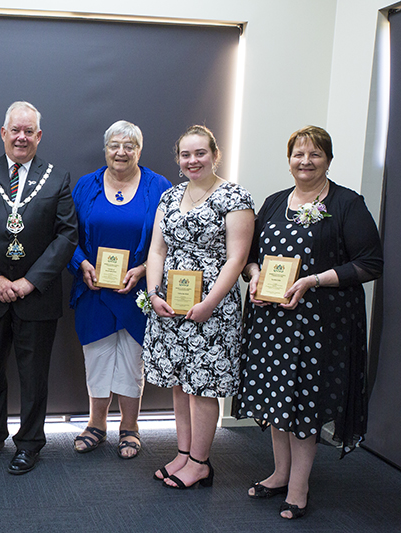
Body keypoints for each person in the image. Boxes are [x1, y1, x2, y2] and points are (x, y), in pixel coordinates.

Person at [233, 126, 382, 519]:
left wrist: (313, 280)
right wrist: (254, 276)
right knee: (277, 399)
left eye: (314, 154)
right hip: (271, 322)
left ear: (328, 160)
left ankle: (298, 488)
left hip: (319, 325)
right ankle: (280, 474)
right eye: (298, 154)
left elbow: (370, 263)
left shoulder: (347, 203)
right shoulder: (274, 202)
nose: (305, 161)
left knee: (303, 406)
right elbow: (249, 256)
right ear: (289, 159)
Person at [0, 101, 78, 475]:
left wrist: (28, 282)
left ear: (39, 136)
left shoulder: (57, 178)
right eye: (15, 130)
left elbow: (67, 236)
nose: (21, 137)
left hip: (36, 297)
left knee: (34, 373)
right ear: (3, 133)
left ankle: (29, 443)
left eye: (29, 131)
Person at [142, 125, 254, 489]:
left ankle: (201, 463)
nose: (193, 160)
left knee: (203, 385)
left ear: (215, 155)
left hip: (211, 306)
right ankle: (184, 453)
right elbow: (157, 250)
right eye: (186, 155)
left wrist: (209, 303)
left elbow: (236, 260)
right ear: (178, 160)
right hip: (171, 304)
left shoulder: (234, 197)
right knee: (179, 382)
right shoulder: (170, 197)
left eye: (200, 153)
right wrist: (154, 293)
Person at [68, 120, 171, 458]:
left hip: (137, 292)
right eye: (115, 144)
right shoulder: (86, 185)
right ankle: (96, 424)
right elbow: (67, 235)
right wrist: (82, 264)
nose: (121, 152)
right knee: (96, 358)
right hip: (94, 290)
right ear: (105, 148)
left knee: (131, 360)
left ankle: (130, 427)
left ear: (139, 150)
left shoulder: (159, 187)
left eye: (130, 146)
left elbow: (169, 239)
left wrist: (143, 271)